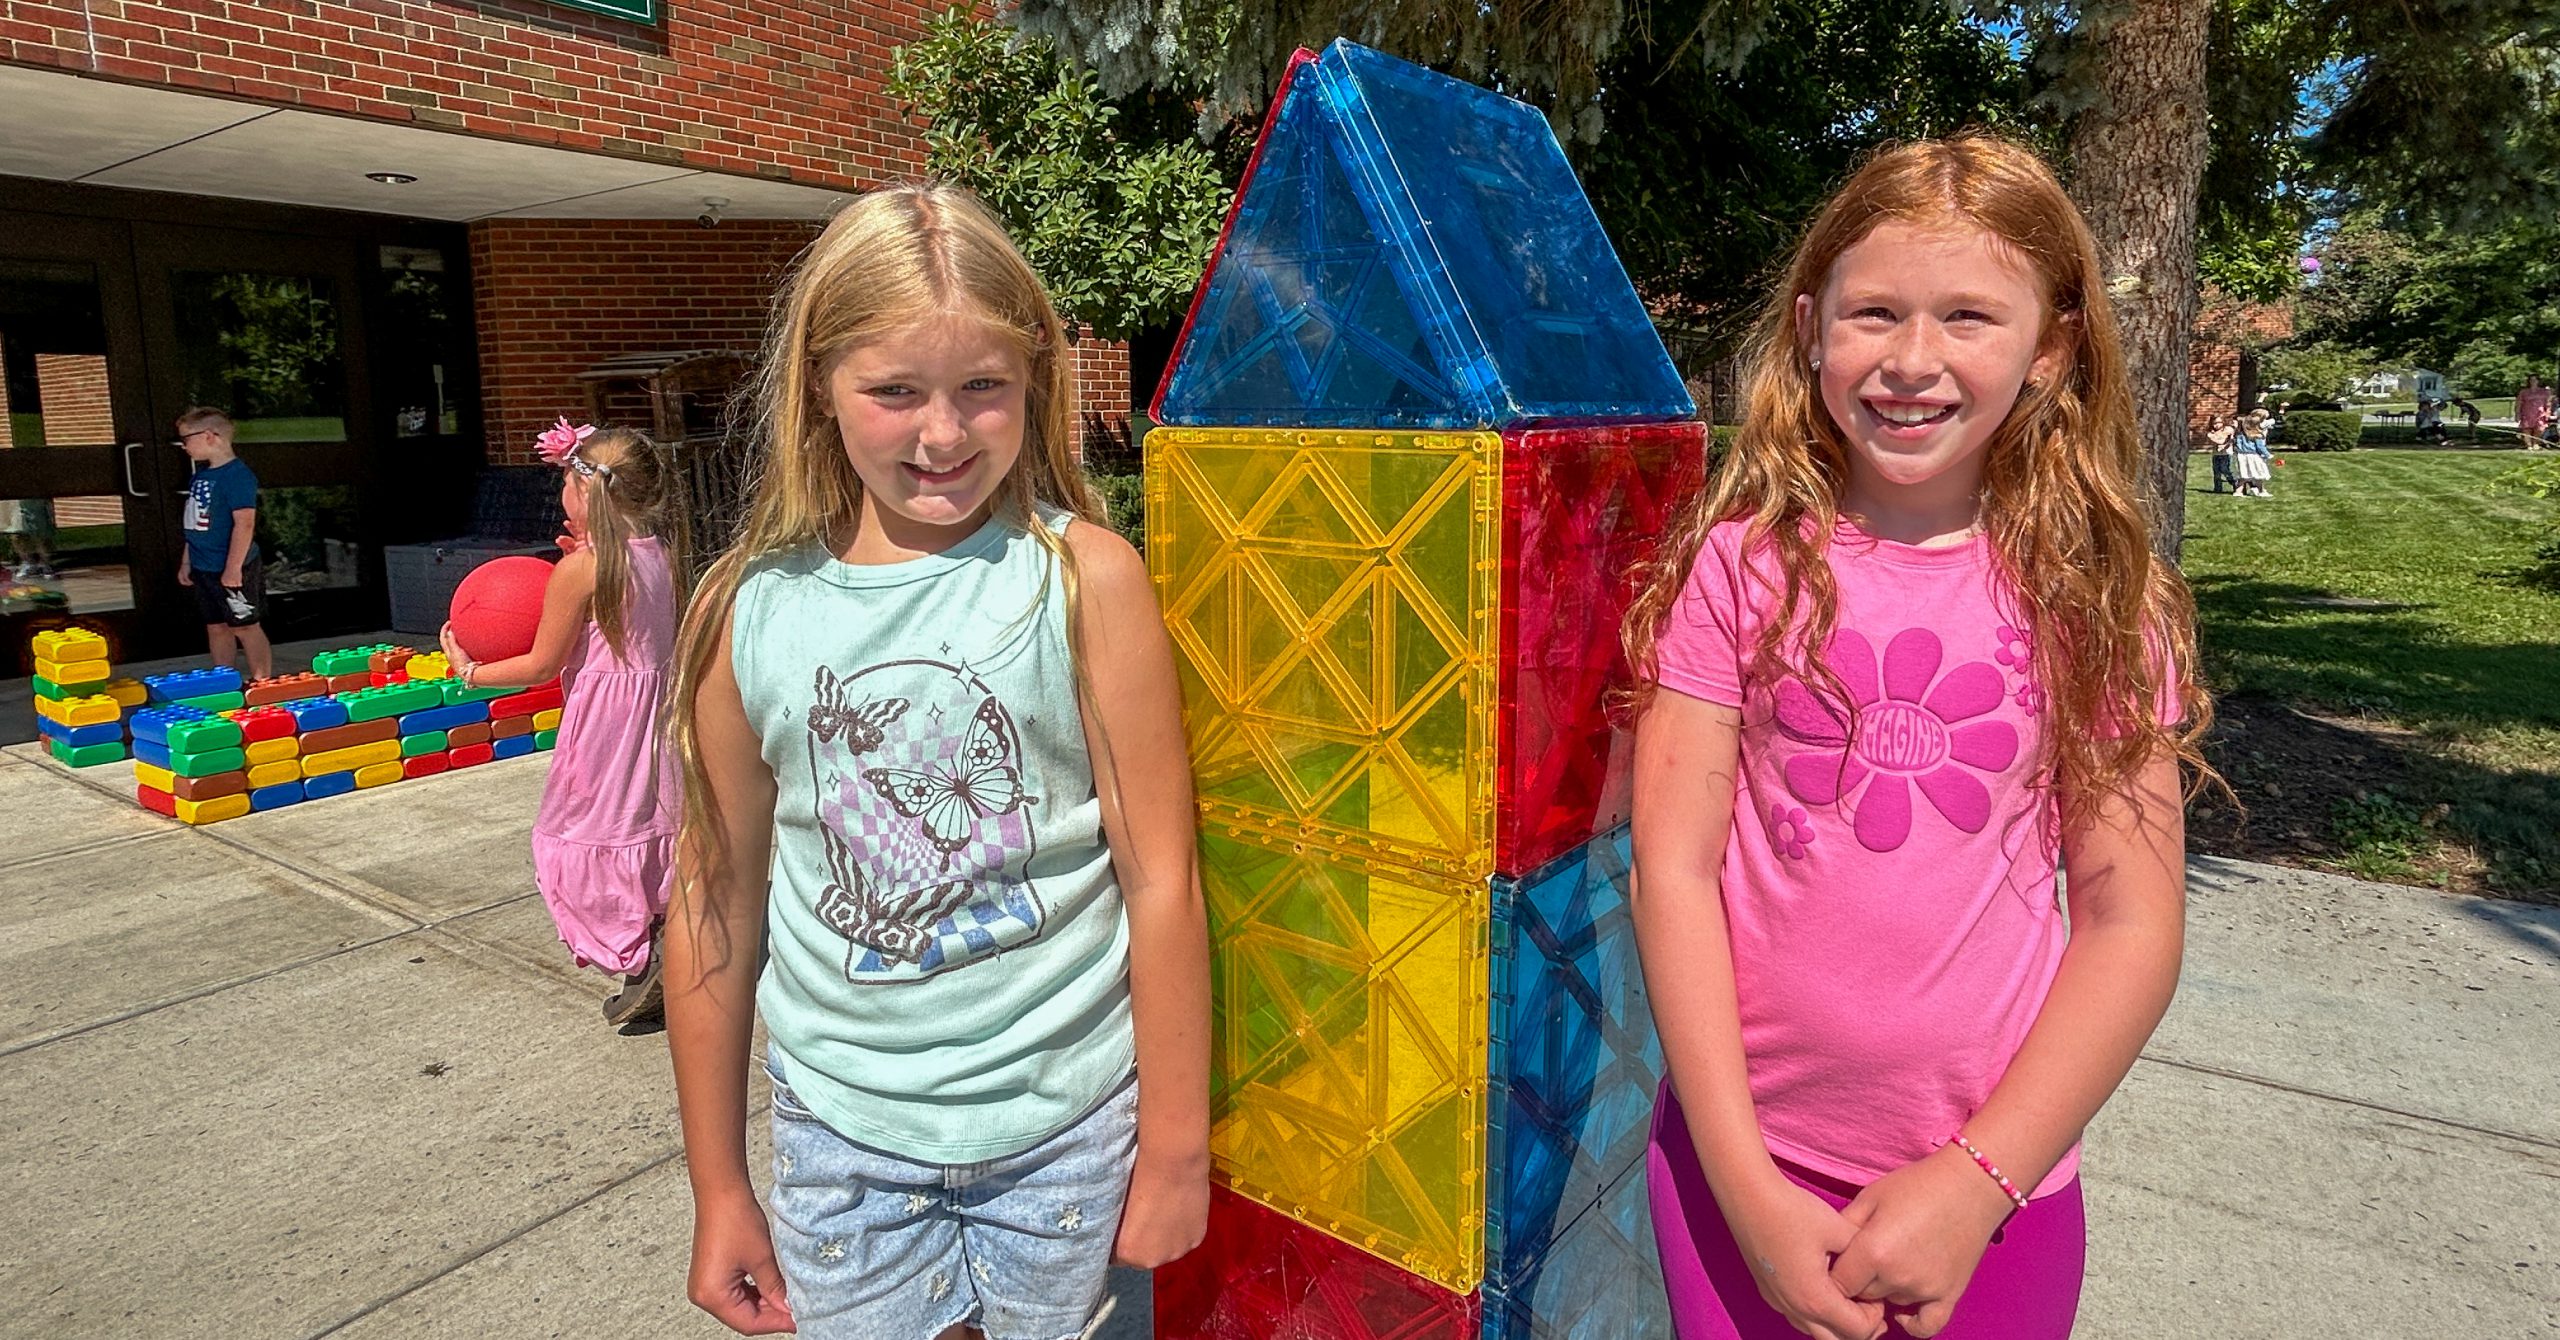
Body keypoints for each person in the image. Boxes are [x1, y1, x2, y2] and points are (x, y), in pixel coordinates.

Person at [1619, 136, 2207, 1340]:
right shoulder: (1741, 567)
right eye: (1874, 312)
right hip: (1740, 1171)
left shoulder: (2095, 594)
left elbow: (2130, 923)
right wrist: (1743, 1188)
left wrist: (1973, 1181)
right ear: (1808, 329)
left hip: (1992, 1190)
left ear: (2051, 348)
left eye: (1970, 317)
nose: (1912, 360)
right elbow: (1670, 872)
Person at [662, 185, 1210, 1339]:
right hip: (840, 1137)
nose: (942, 433)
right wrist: (719, 1185)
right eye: (894, 389)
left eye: (982, 388)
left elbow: (1162, 875)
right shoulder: (746, 612)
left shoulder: (1084, 578)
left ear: (1034, 387)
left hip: (1065, 1128)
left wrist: (1175, 1143)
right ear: (820, 385)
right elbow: (714, 898)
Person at [439, 420, 684, 1025]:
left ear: (585, 492)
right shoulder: (660, 555)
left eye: (565, 488)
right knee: (645, 827)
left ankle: (639, 954)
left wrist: (468, 670)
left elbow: (542, 663)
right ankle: (664, 936)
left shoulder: (583, 570)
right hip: (657, 718)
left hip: (605, 728)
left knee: (577, 835)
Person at [175, 407, 271, 680]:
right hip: (203, 565)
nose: (184, 446)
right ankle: (224, 680)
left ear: (208, 436)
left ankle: (262, 683)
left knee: (245, 625)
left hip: (232, 566)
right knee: (216, 626)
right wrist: (187, 560)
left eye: (186, 439)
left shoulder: (237, 475)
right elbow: (193, 522)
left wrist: (233, 568)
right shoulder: (200, 477)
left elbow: (245, 523)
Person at [2232, 409, 2273, 497]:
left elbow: (2236, 445)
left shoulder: (2240, 434)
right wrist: (2268, 455)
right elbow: (2260, 447)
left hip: (2241, 456)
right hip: (2253, 456)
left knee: (2244, 474)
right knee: (2258, 474)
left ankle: (2238, 492)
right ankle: (2261, 491)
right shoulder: (2257, 435)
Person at [2201, 415, 2236, 494]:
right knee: (2217, 472)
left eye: (2219, 422)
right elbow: (2219, 442)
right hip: (2216, 454)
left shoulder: (2228, 429)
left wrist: (2228, 440)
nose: (2217, 425)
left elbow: (2231, 439)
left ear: (2223, 422)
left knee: (2225, 470)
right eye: (2214, 423)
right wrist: (2225, 439)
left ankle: (2235, 484)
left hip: (2227, 454)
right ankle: (2218, 489)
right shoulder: (2210, 433)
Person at [2516, 374, 2552, 447]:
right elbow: (2519, 403)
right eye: (2531, 380)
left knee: (2540, 428)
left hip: (2540, 413)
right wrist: (2517, 413)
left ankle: (2536, 443)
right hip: (2527, 413)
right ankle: (2529, 445)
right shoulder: (2524, 392)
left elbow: (2548, 403)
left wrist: (2548, 412)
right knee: (2526, 429)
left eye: (2535, 380)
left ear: (2538, 381)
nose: (2533, 382)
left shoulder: (2544, 392)